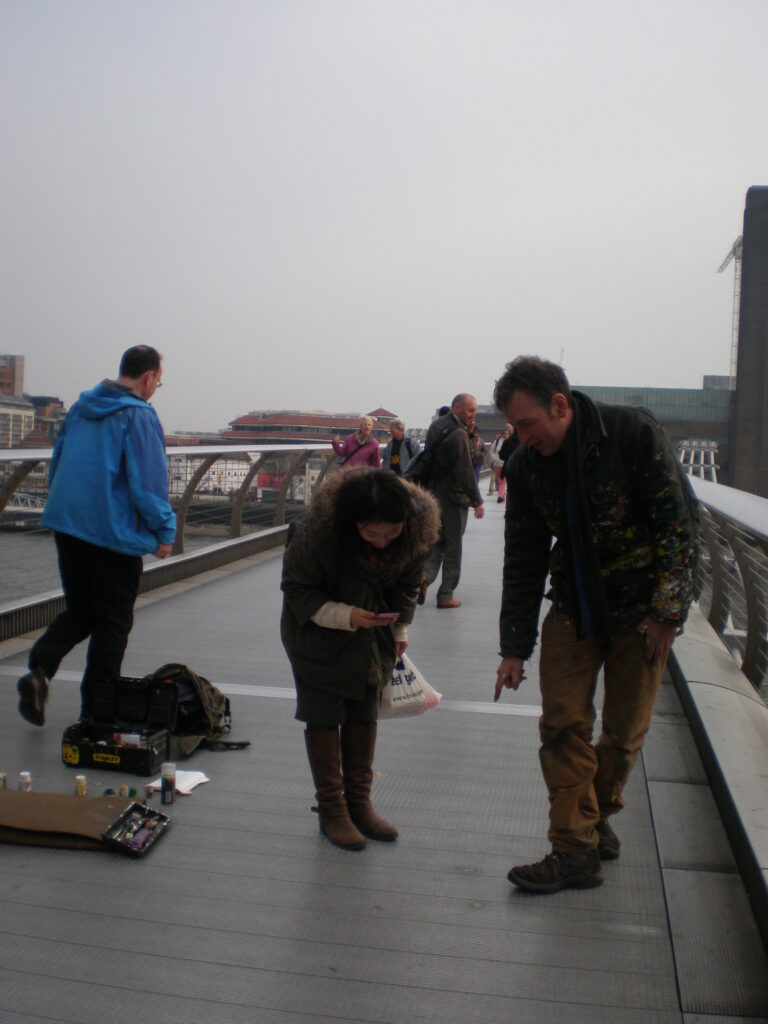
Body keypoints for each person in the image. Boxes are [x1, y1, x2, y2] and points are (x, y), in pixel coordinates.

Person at [493, 356, 698, 893]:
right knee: (562, 726)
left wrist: (667, 615)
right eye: (515, 428)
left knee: (624, 735)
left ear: (559, 405)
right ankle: (573, 848)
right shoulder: (525, 466)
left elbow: (677, 525)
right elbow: (524, 557)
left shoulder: (631, 433)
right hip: (573, 608)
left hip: (641, 614)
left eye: (528, 424)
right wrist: (514, 646)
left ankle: (595, 815)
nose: (522, 437)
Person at [16, 346, 176, 727]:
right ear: (149, 377)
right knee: (114, 620)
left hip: (68, 523)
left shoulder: (80, 408)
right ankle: (98, 711)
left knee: (84, 608)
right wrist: (164, 531)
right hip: (110, 534)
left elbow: (57, 462)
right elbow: (147, 482)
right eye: (159, 381)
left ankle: (39, 670)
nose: (156, 388)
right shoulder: (138, 415)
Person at [280, 469, 440, 850]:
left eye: (392, 532)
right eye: (371, 533)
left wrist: (400, 631)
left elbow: (406, 587)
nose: (383, 542)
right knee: (323, 713)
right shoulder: (317, 533)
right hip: (316, 633)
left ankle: (360, 803)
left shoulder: (415, 533)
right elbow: (297, 589)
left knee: (363, 710)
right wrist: (344, 616)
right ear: (351, 523)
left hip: (372, 636)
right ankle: (332, 809)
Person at [420, 394, 485, 609]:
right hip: (454, 498)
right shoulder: (458, 435)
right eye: (470, 410)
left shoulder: (436, 426)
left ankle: (424, 577)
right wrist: (477, 501)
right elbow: (466, 469)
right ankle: (446, 594)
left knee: (437, 542)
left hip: (433, 495)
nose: (472, 415)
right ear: (456, 408)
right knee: (454, 547)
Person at [488, 425, 513, 501]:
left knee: (503, 480)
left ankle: (500, 496)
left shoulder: (511, 442)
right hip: (497, 464)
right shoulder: (497, 441)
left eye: (507, 433)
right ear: (502, 434)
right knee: (500, 480)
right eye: (504, 433)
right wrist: (494, 458)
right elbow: (491, 450)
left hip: (505, 464)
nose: (505, 435)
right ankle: (502, 494)